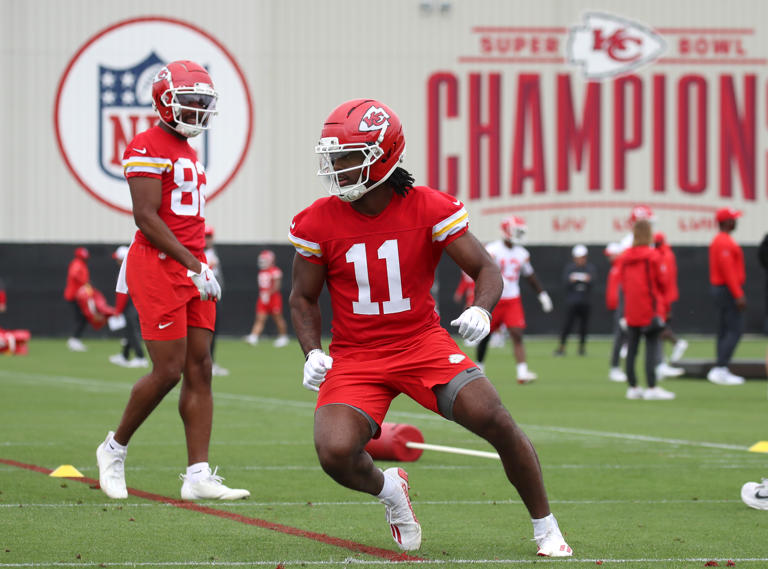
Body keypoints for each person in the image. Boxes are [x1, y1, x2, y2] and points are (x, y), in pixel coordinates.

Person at [289, 99, 571, 557]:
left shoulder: (429, 207)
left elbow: (486, 269)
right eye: (333, 156)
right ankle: (391, 492)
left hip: (421, 345)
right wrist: (311, 351)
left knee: (495, 420)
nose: (336, 168)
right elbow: (302, 298)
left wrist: (482, 308)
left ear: (382, 156)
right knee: (335, 452)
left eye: (347, 157)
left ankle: (546, 526)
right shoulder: (318, 220)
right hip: (356, 354)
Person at [96, 60, 249, 501]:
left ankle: (197, 474)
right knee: (166, 370)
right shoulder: (146, 144)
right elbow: (145, 218)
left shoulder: (186, 149)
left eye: (204, 102)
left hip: (191, 265)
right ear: (165, 100)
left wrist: (199, 265)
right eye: (191, 101)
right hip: (162, 266)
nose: (199, 109)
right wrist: (194, 264)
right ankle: (113, 448)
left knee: (200, 367)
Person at [475, 216, 553, 383]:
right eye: (516, 230)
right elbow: (482, 272)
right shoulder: (493, 250)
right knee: (485, 335)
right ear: (507, 231)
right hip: (494, 298)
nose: (518, 234)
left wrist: (542, 294)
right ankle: (479, 368)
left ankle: (522, 372)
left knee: (517, 333)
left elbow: (529, 275)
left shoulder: (522, 253)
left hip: (512, 299)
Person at [613, 219, 675, 400]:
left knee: (632, 347)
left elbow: (623, 283)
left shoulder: (624, 257)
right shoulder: (653, 256)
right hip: (650, 307)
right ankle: (652, 387)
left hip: (631, 308)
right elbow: (663, 282)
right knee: (651, 345)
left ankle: (632, 387)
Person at [706, 207, 746, 386]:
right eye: (734, 219)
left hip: (722, 289)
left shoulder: (723, 240)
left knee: (724, 330)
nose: (736, 222)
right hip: (726, 289)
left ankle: (720, 367)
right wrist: (738, 294)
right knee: (734, 330)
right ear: (727, 222)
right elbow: (728, 270)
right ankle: (721, 368)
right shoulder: (723, 242)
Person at [653, 232, 687, 376]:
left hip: (662, 298)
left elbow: (665, 281)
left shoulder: (664, 255)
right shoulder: (663, 254)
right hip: (662, 297)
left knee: (657, 329)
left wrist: (666, 305)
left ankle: (676, 345)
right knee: (657, 330)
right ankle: (660, 362)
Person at [108, 246, 148, 368]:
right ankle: (124, 355)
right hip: (135, 305)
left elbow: (122, 294)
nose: (117, 261)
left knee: (132, 332)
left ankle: (140, 357)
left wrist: (118, 310)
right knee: (128, 332)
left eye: (119, 259)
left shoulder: (126, 271)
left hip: (131, 306)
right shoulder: (134, 270)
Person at [554, 244, 595, 357]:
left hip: (585, 302)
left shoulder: (590, 268)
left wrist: (578, 280)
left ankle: (581, 349)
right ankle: (561, 348)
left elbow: (592, 281)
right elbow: (566, 282)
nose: (580, 260)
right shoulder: (570, 268)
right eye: (578, 257)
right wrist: (580, 280)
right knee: (567, 326)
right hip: (572, 302)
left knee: (584, 327)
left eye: (582, 257)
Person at [245, 250, 290, 348]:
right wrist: (264, 295)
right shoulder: (262, 272)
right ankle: (254, 337)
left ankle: (283, 337)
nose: (263, 262)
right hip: (263, 298)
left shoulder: (275, 271)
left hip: (274, 298)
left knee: (278, 318)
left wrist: (268, 293)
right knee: (260, 318)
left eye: (265, 260)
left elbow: (277, 286)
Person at [204, 226, 229, 375]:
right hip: (205, 299)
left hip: (214, 299)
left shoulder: (213, 252)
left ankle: (210, 362)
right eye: (205, 236)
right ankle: (207, 364)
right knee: (206, 333)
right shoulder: (200, 253)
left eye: (209, 236)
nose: (207, 239)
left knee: (213, 332)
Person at [605, 242, 628, 382]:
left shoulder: (622, 266)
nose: (609, 258)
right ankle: (615, 367)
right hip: (618, 307)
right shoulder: (615, 267)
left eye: (611, 255)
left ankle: (616, 367)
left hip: (623, 306)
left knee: (622, 337)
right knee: (620, 337)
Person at [63, 247, 91, 352]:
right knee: (81, 318)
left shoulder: (81, 264)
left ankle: (75, 340)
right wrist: (84, 282)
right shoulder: (77, 263)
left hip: (80, 297)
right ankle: (74, 340)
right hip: (75, 296)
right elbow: (74, 274)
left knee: (82, 318)